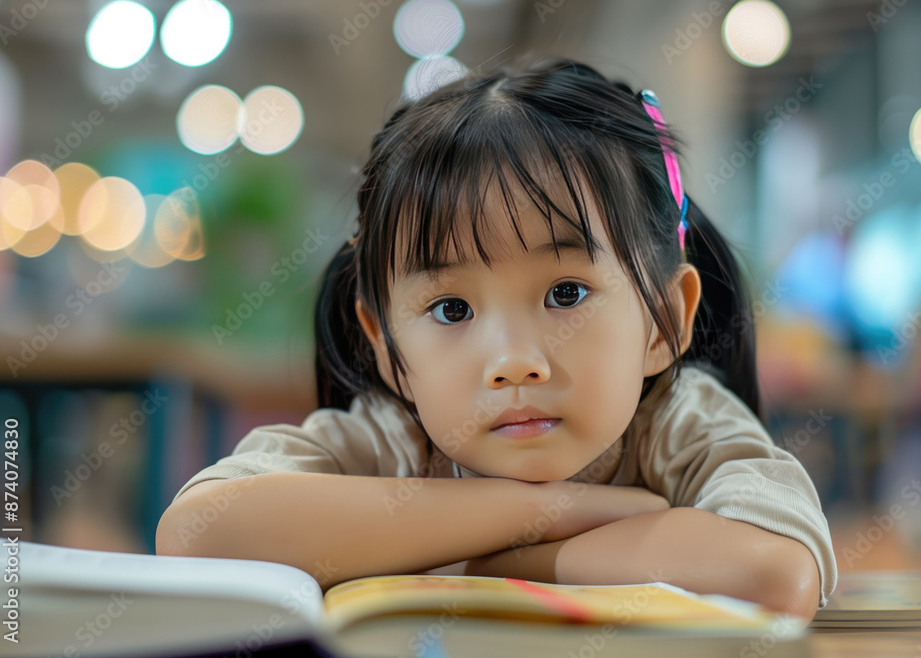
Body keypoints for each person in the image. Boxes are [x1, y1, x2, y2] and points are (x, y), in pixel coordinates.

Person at [156, 55, 836, 623]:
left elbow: (774, 572)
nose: (513, 362)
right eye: (452, 309)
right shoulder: (391, 440)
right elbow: (197, 535)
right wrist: (547, 510)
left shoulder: (681, 426)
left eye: (565, 294)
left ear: (665, 320)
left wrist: (487, 559)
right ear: (388, 345)